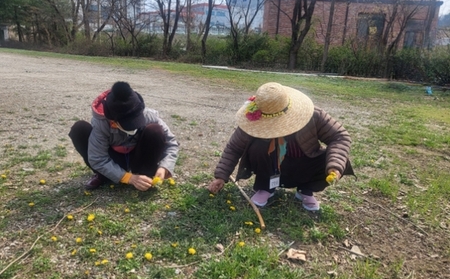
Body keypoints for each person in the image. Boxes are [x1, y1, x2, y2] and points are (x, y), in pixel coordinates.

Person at [208, 82, 354, 211]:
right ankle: (266, 187)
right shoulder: (252, 119)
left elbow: (340, 136)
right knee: (257, 146)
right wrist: (221, 176)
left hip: (304, 164)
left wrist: (335, 165)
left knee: (339, 159)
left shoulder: (314, 115)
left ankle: (305, 190)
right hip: (270, 168)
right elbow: (234, 147)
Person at [69, 81, 179, 191]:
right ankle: (104, 176)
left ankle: (145, 175)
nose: (133, 127)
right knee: (79, 129)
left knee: (155, 130)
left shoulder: (147, 114)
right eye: (128, 124)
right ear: (113, 121)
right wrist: (128, 178)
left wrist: (165, 166)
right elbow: (97, 158)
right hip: (114, 158)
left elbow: (171, 143)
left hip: (138, 156)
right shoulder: (102, 123)